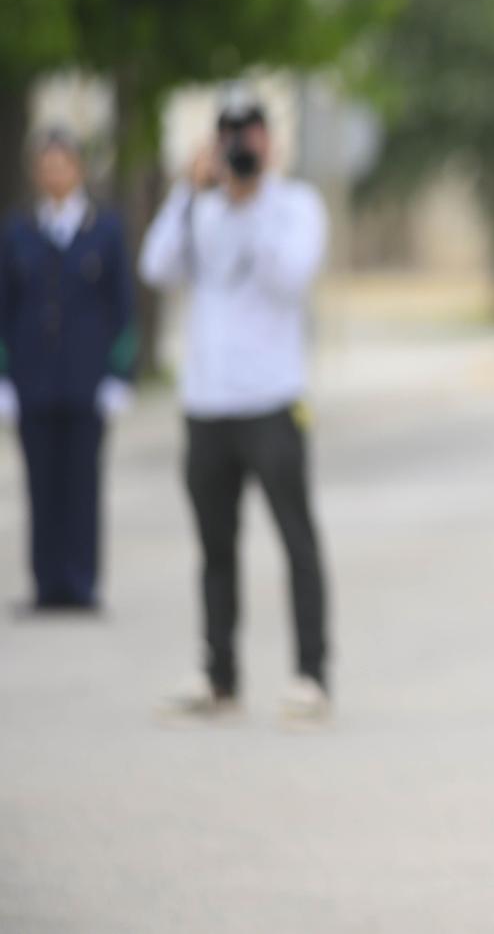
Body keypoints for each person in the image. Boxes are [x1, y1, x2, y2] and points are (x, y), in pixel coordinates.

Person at [139, 100, 331, 721]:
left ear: (269, 141)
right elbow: (157, 267)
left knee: (295, 540)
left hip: (273, 400)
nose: (240, 150)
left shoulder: (295, 206)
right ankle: (219, 674)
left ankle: (311, 675)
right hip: (207, 402)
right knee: (214, 546)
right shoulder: (201, 207)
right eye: (229, 139)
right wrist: (188, 195)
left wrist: (251, 204)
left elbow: (290, 277)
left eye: (249, 136)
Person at [0, 129, 136, 612]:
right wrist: (4, 376)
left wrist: (121, 374)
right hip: (34, 382)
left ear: (77, 169)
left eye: (62, 164)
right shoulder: (19, 231)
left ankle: (81, 581)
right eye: (46, 165)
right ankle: (46, 584)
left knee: (82, 483)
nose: (54, 173)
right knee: (40, 485)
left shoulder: (104, 229)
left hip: (85, 380)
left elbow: (123, 305)